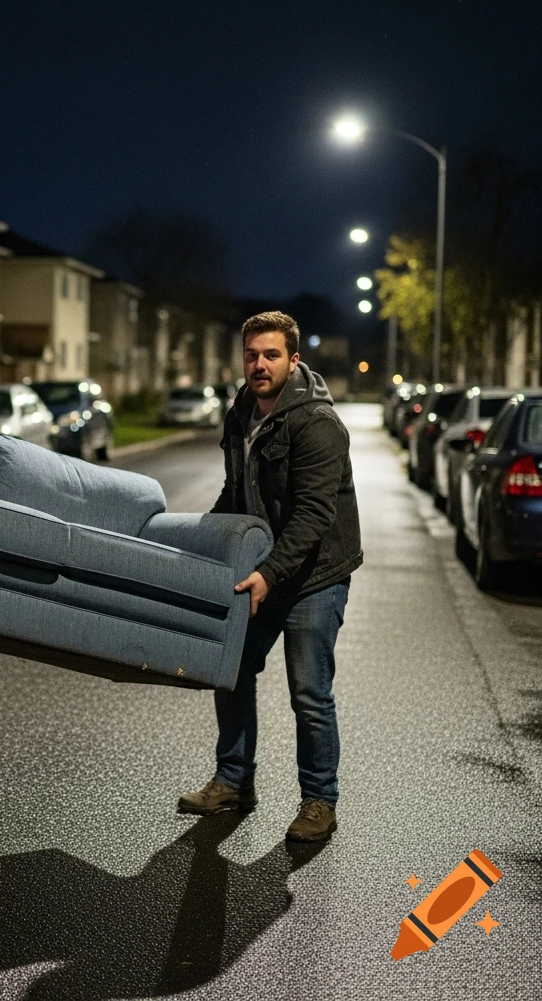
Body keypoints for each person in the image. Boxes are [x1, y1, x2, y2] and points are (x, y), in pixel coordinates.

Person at [178, 311, 362, 842]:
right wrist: (201, 540)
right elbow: (236, 493)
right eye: (252, 355)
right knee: (230, 668)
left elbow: (312, 516)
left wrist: (268, 574)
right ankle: (234, 780)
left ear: (294, 360)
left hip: (314, 575)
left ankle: (318, 801)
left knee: (309, 692)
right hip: (265, 568)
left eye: (271, 355)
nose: (259, 365)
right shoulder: (242, 410)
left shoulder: (317, 424)